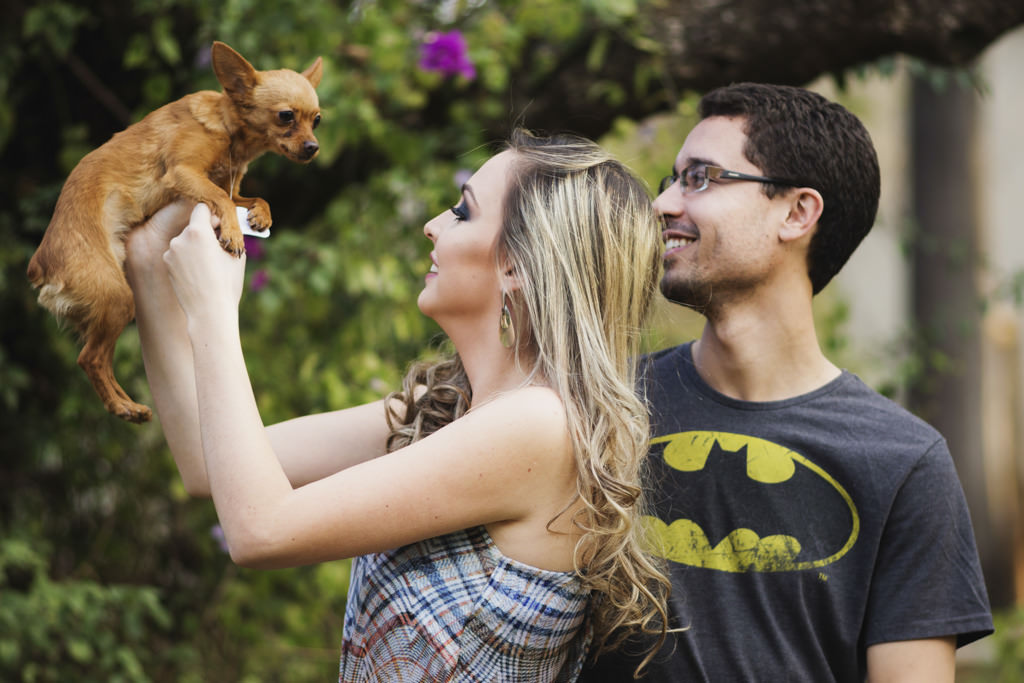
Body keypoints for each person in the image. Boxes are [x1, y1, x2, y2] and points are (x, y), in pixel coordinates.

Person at [124, 129, 670, 681]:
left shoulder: (538, 425)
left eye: (462, 212)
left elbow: (260, 530)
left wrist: (213, 309)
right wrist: (148, 260)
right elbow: (208, 461)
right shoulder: (446, 405)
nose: (432, 224)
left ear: (516, 267)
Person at [579, 83, 993, 682]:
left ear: (797, 213)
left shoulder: (902, 462)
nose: (663, 203)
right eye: (673, 179)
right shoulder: (604, 403)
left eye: (700, 178)